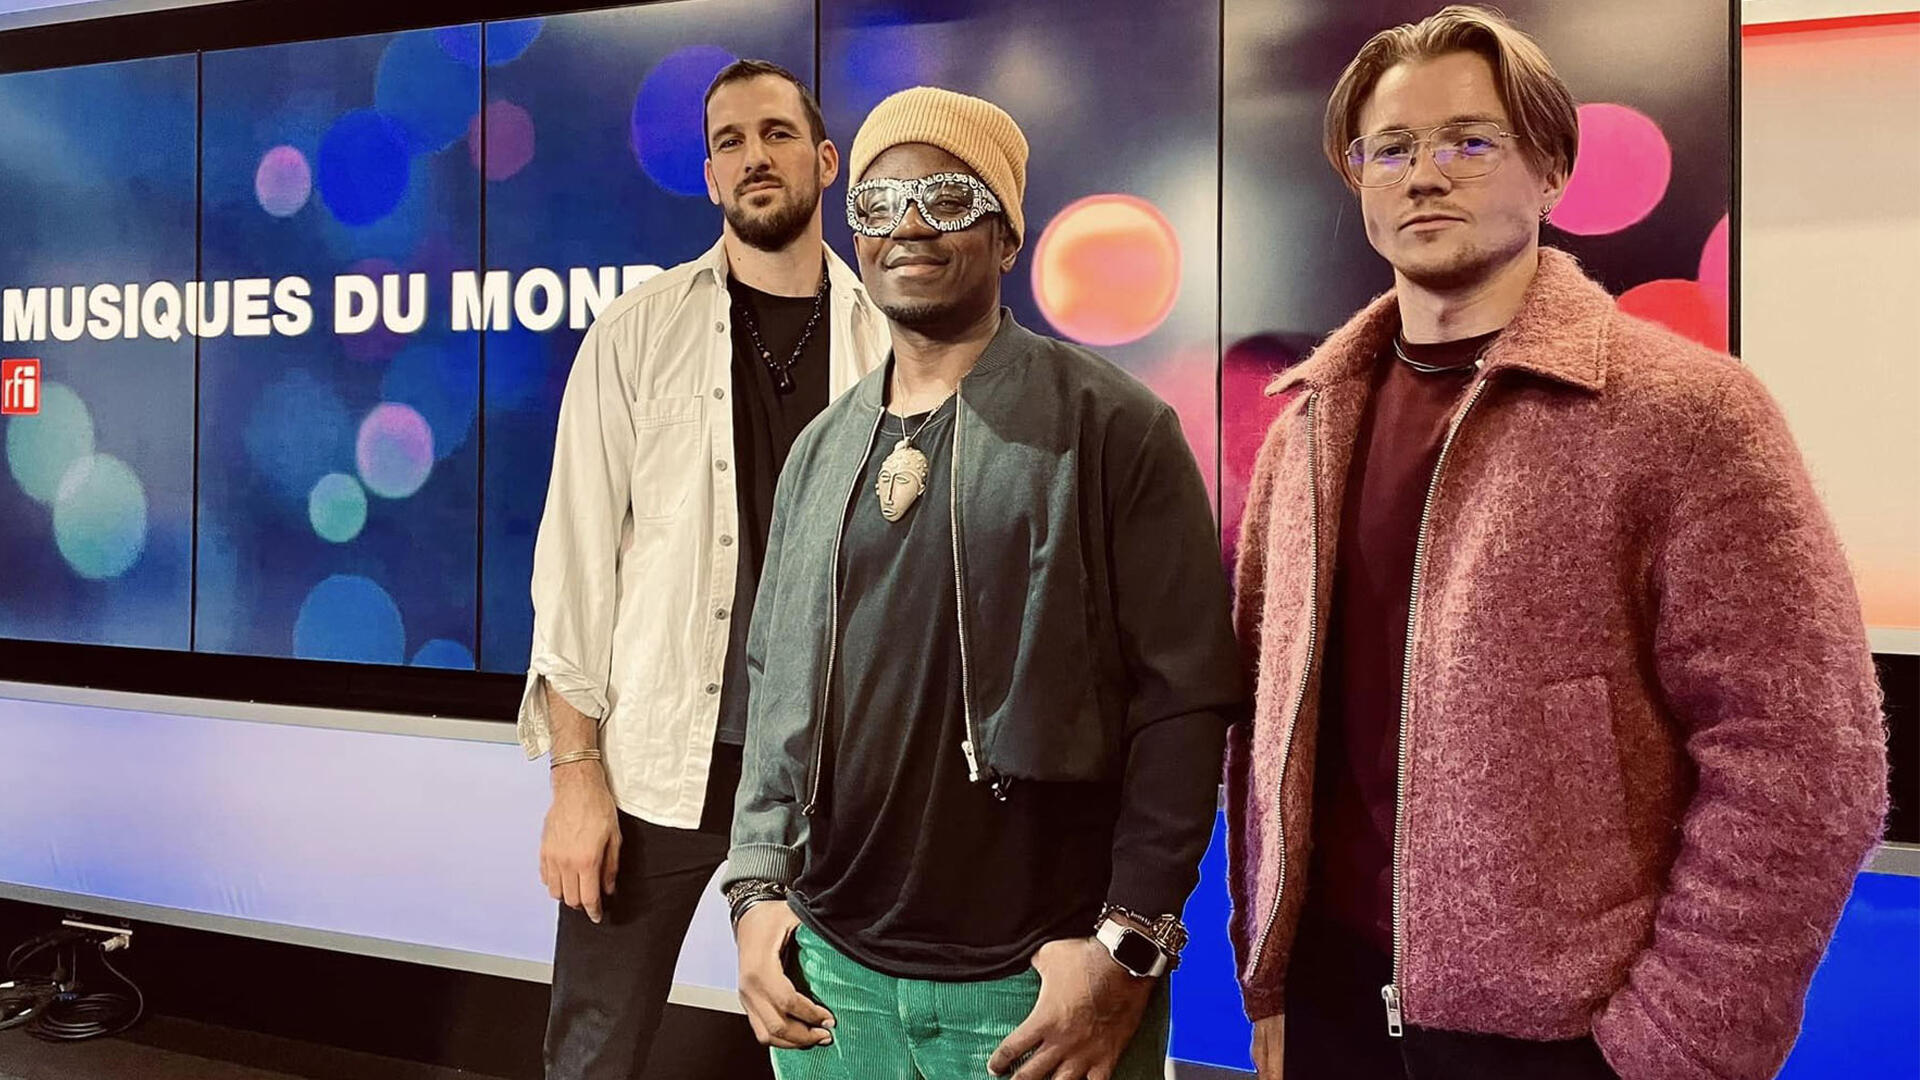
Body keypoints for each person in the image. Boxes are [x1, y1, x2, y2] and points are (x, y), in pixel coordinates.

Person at [1225, 7, 1887, 1079]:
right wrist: (1271, 977)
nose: (1424, 174)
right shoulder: (1304, 424)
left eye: (1469, 140)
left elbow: (1808, 759)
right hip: (1330, 1006)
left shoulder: (1687, 412)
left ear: (1551, 166)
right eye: (1390, 148)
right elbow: (1265, 729)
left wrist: (1676, 1044)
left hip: (1567, 1040)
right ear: (1357, 182)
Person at [720, 86, 1243, 1080]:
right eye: (876, 204)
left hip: (1037, 989)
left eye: (947, 197)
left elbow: (1186, 703)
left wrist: (1127, 950)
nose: (908, 225)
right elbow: (773, 678)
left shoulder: (1113, 428)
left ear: (1007, 235)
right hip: (831, 982)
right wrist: (754, 892)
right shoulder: (821, 453)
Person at [518, 59, 890, 1079]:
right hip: (657, 762)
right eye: (729, 140)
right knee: (594, 1048)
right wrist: (575, 778)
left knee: (834, 1042)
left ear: (823, 159)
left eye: (775, 133)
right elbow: (576, 567)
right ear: (709, 175)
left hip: (837, 771)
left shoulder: (890, 339)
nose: (753, 156)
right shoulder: (636, 334)